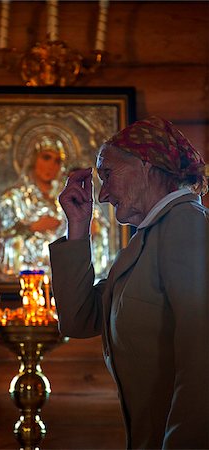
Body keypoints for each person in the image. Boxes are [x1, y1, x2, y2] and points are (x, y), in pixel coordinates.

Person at [49, 116, 209, 449]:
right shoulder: (148, 238)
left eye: (107, 174)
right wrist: (77, 227)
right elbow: (79, 319)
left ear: (148, 164)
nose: (103, 195)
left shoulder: (186, 227)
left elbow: (202, 361)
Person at [0, 134, 67, 275]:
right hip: (26, 279)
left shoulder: (68, 199)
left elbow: (96, 231)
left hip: (63, 278)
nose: (51, 166)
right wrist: (32, 228)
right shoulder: (12, 198)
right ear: (33, 159)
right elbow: (3, 239)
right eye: (46, 157)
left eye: (57, 161)